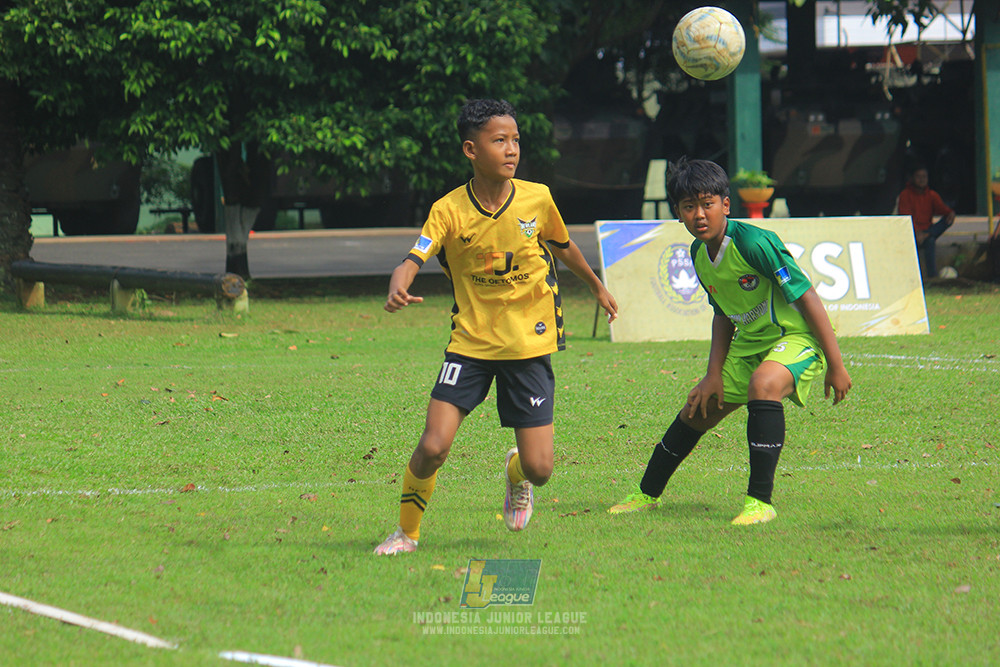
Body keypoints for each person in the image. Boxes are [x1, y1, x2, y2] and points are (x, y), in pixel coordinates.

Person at [374, 99, 618, 555]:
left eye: (516, 140)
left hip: (528, 344)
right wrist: (398, 285)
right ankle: (406, 532)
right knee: (433, 446)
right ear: (471, 149)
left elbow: (563, 247)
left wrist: (597, 287)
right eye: (499, 140)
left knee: (541, 468)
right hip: (471, 344)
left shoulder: (537, 198)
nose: (511, 149)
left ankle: (516, 474)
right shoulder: (448, 210)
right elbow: (414, 256)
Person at [608, 158, 852, 525]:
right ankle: (646, 493)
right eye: (689, 207)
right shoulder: (698, 254)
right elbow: (722, 314)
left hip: (795, 337)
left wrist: (836, 365)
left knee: (764, 385)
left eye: (707, 204)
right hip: (750, 344)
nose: (699, 215)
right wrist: (713, 375)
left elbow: (807, 298)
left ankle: (760, 503)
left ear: (725, 204)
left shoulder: (754, 243)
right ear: (678, 214)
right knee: (697, 411)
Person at [897, 165, 956, 280]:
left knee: (946, 221)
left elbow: (942, 209)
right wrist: (916, 232)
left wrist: (950, 213)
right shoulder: (905, 195)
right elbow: (905, 217)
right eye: (918, 177)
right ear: (912, 178)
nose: (922, 179)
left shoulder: (931, 195)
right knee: (930, 241)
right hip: (913, 232)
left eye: (924, 176)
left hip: (928, 231)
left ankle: (932, 277)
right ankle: (932, 276)